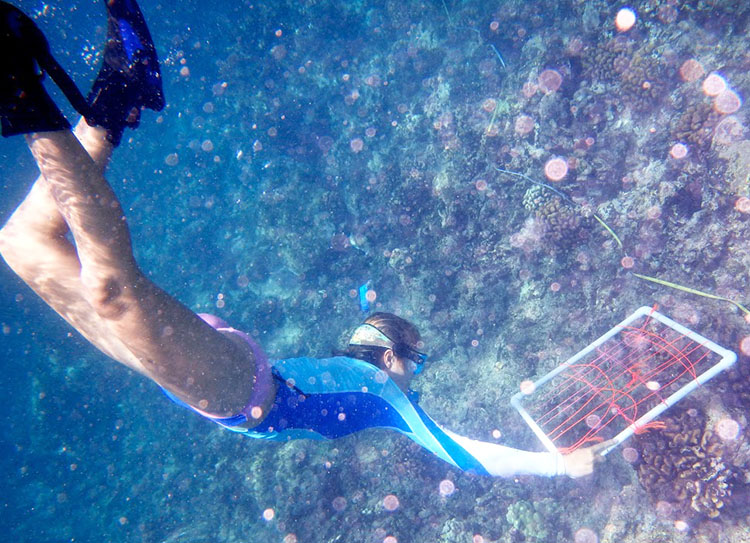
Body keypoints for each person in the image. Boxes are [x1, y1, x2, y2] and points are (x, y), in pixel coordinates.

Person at [0, 0, 610, 479]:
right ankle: (22, 89)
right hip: (234, 386)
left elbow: (370, 314)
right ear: (394, 359)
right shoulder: (382, 393)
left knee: (23, 244)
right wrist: (558, 464)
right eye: (412, 366)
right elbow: (463, 455)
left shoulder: (359, 370)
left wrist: (373, 292)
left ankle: (116, 98)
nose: (411, 382)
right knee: (111, 291)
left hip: (222, 373)